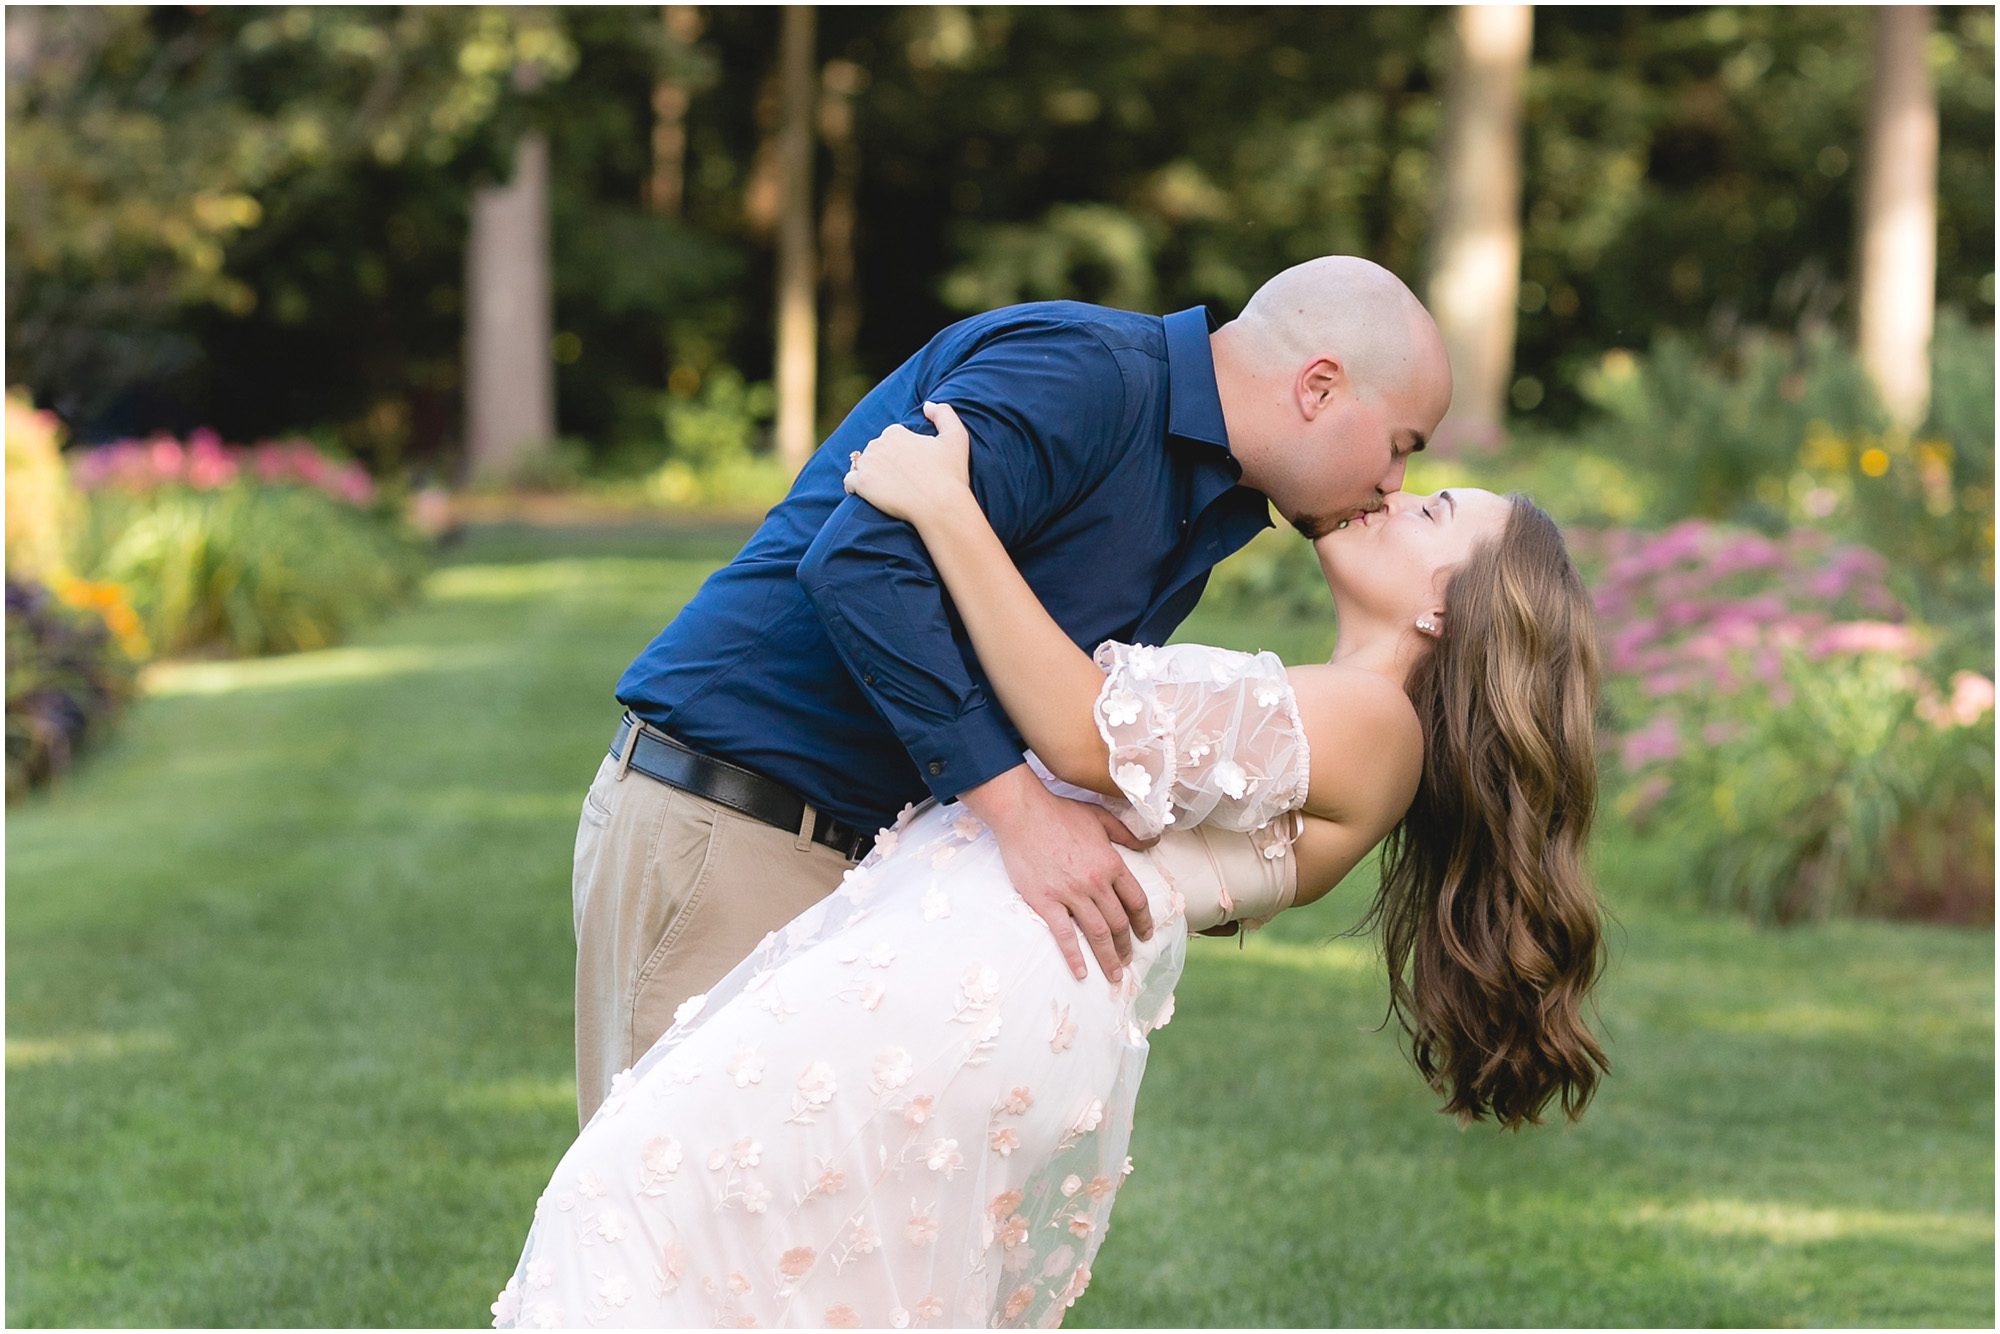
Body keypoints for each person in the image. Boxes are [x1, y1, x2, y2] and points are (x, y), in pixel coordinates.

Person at [491, 407, 1611, 1329]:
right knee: (749, 1262)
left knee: (638, 1202)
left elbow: (1079, 728)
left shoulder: (1373, 725)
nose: (1396, 496)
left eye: (1433, 512)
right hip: (965, 977)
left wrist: (946, 506)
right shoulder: (1336, 720)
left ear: (1444, 605)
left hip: (962, 991)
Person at [572, 256, 1453, 1128]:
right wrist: (1018, 810)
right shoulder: (1082, 374)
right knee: (684, 1200)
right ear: (1319, 387)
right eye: (1400, 446)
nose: (1394, 484)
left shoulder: (1208, 504)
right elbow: (860, 560)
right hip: (740, 824)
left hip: (863, 877)